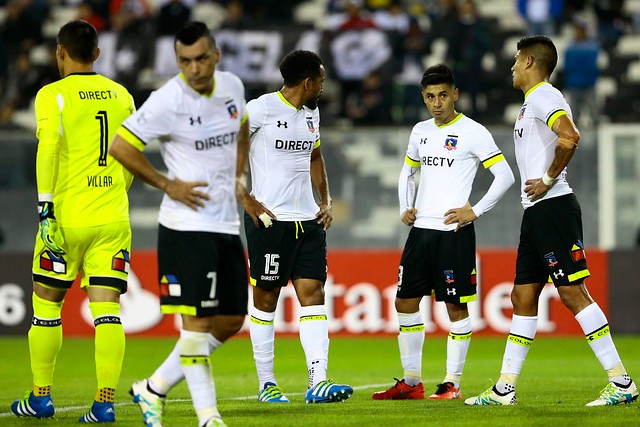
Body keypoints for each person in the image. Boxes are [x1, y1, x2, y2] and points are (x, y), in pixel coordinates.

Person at [465, 35, 638, 407]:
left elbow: (570, 137)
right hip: (536, 212)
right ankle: (504, 388)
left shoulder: (545, 96)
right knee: (522, 295)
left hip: (553, 207)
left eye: (516, 59)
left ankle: (621, 382)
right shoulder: (531, 104)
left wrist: (547, 180)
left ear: (529, 62)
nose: (511, 66)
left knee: (572, 292)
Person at [109, 21, 249, 427]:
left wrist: (240, 177)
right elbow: (121, 146)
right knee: (198, 322)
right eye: (185, 61)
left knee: (230, 320)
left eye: (201, 58)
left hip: (224, 224)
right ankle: (208, 417)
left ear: (216, 56)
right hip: (185, 227)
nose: (194, 68)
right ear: (177, 61)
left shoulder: (232, 87)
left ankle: (152, 388)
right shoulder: (167, 100)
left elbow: (241, 128)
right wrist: (167, 184)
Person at [10, 20, 135, 422]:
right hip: (113, 217)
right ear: (97, 53)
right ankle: (104, 403)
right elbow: (131, 156)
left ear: (60, 53)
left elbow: (47, 149)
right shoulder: (122, 95)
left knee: (46, 306)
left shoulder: (52, 94)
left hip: (64, 219)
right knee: (108, 312)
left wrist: (45, 208)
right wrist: (115, 191)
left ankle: (41, 396)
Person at [372, 63, 515, 401]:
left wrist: (475, 210)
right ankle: (411, 381)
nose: (437, 103)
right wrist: (404, 206)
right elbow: (407, 172)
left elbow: (506, 176)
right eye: (430, 97)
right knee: (404, 301)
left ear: (456, 95)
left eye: (442, 95)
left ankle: (452, 383)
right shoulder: (420, 131)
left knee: (454, 308)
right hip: (420, 231)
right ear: (424, 98)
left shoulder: (474, 132)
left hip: (454, 232)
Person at [243, 49, 353, 404]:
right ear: (307, 82)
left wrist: (326, 199)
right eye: (320, 80)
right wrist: (247, 199)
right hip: (269, 221)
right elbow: (228, 156)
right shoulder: (258, 110)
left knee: (314, 297)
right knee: (266, 299)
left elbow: (315, 156)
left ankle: (317, 381)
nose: (323, 86)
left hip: (307, 222)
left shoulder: (312, 114)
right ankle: (266, 384)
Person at [563, 16, 600, 128]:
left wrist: (578, 61)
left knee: (594, 116)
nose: (578, 32)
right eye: (577, 29)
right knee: (574, 118)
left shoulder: (592, 46)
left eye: (581, 29)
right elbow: (568, 66)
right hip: (574, 85)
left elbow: (591, 65)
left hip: (589, 85)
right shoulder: (570, 46)